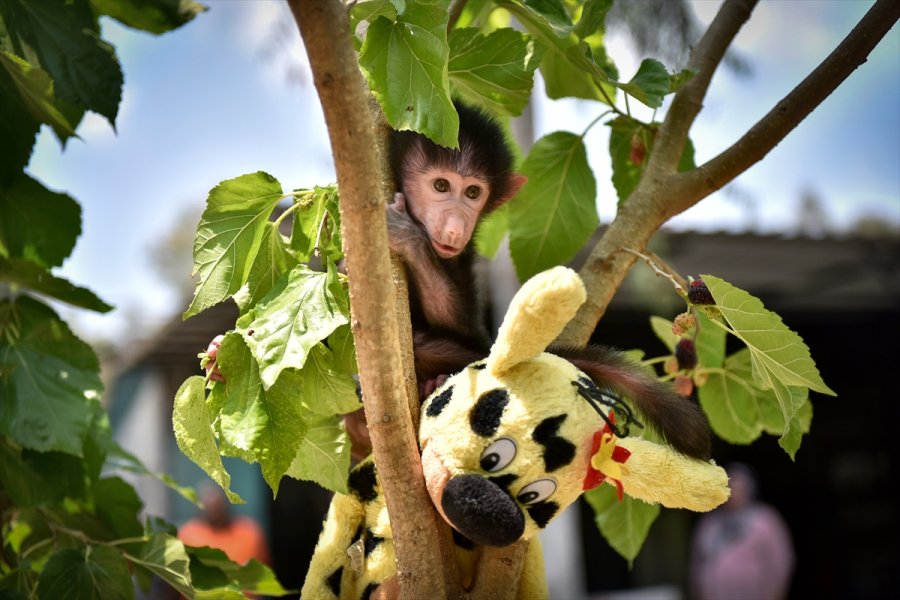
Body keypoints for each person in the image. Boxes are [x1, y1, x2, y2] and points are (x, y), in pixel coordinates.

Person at [690, 462, 795, 600]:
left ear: (749, 489)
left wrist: (775, 593)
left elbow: (782, 560)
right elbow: (696, 562)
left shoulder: (765, 520)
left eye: (737, 487)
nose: (732, 492)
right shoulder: (710, 523)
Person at [178, 482, 270, 568]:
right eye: (211, 508)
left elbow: (264, 568)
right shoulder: (187, 536)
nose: (215, 511)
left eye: (217, 507)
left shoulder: (249, 532)